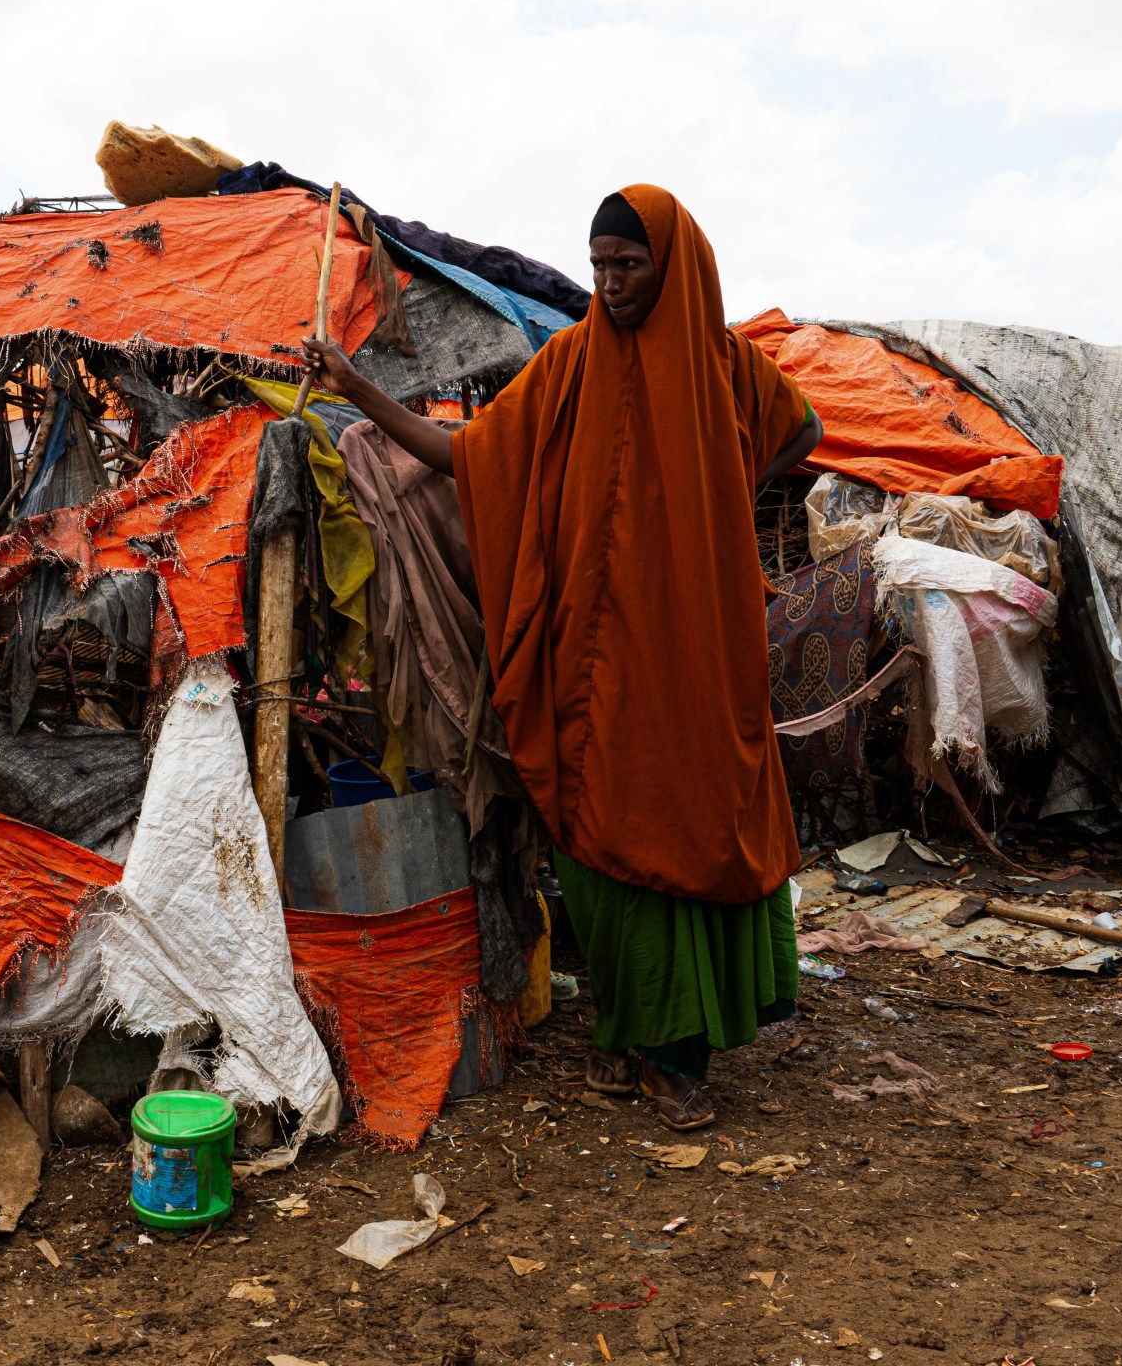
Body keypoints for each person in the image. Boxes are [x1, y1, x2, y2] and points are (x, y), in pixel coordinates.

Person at [302, 184, 821, 1130]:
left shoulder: (730, 367)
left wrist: (721, 487)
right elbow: (470, 458)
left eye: (628, 266)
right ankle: (632, 1041)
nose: (610, 284)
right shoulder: (571, 366)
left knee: (697, 817)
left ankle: (672, 1057)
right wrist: (358, 391)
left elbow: (806, 430)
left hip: (702, 649)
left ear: (674, 266)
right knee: (603, 825)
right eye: (599, 267)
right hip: (597, 651)